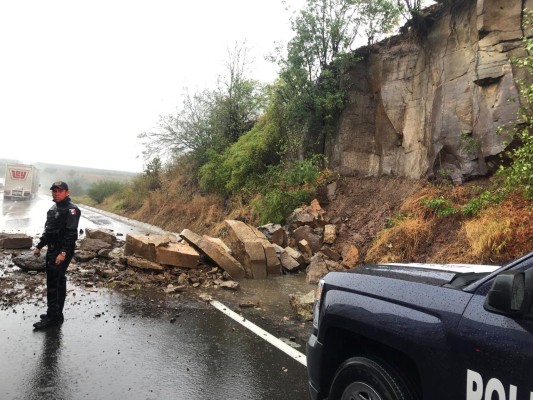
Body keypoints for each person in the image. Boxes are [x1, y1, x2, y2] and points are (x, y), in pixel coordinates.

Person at [33, 181, 81, 329]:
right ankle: (56, 314)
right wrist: (40, 245)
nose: (56, 193)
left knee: (54, 283)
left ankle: (52, 318)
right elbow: (49, 230)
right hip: (52, 249)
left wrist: (63, 253)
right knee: (57, 281)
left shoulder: (72, 210)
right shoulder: (53, 208)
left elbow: (71, 234)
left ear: (67, 192)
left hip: (61, 250)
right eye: (54, 191)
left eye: (60, 191)